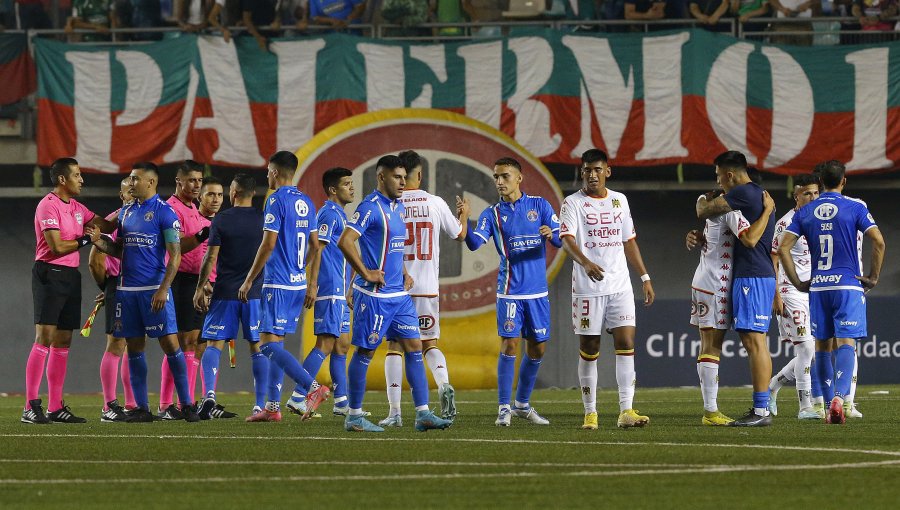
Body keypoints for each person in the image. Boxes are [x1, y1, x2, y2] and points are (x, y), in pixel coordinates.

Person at [337, 155, 452, 433]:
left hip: (399, 296)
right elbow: (346, 241)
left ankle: (423, 413)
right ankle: (353, 416)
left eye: (404, 176)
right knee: (365, 352)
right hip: (374, 297)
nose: (403, 182)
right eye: (396, 177)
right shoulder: (370, 207)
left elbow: (393, 246)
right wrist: (365, 273)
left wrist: (402, 271)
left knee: (414, 347)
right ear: (381, 177)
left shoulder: (398, 207)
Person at [90, 162, 199, 423]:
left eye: (134, 179)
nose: (129, 183)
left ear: (150, 182)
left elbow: (175, 256)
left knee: (171, 346)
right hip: (127, 291)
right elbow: (119, 250)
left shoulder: (165, 213)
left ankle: (187, 404)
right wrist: (98, 241)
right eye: (129, 179)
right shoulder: (126, 212)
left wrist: (163, 290)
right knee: (134, 349)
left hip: (153, 290)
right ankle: (141, 408)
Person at [778, 160, 885, 425]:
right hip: (848, 285)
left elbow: (782, 249)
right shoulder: (855, 207)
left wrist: (798, 282)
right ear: (844, 181)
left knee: (822, 347)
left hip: (819, 286)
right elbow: (879, 241)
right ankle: (841, 397)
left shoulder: (805, 212)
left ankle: (827, 406)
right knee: (846, 343)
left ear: (821, 183)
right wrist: (872, 277)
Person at [558, 149, 655, 430]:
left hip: (620, 286)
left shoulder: (619, 201)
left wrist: (645, 277)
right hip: (588, 288)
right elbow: (567, 240)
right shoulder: (572, 203)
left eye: (597, 170)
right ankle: (591, 412)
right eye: (587, 170)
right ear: (581, 172)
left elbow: (629, 241)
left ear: (607, 172)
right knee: (590, 348)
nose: (591, 175)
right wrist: (586, 262)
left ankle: (627, 411)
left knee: (626, 344)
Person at [463, 157, 562, 427]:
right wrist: (463, 222)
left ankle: (522, 405)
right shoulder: (492, 214)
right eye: (496, 177)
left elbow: (560, 238)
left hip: (537, 293)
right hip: (510, 291)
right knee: (510, 344)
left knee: (538, 348)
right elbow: (474, 244)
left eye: (505, 176)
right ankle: (504, 407)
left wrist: (549, 234)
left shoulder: (539, 205)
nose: (499, 182)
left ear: (519, 178)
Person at [378, 150, 470, 427]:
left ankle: (395, 412)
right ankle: (443, 384)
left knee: (395, 346)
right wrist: (463, 215)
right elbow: (460, 234)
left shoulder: (392, 204)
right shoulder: (435, 202)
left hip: (395, 286)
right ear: (420, 174)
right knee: (429, 343)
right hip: (427, 287)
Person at [238, 151, 329, 423]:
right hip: (297, 284)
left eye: (268, 170)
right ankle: (273, 407)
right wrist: (304, 271)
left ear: (275, 172)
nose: (267, 175)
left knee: (265, 345)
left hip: (277, 282)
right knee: (277, 343)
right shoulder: (307, 201)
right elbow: (315, 245)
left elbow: (268, 244)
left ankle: (313, 388)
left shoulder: (275, 200)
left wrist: (249, 279)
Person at [24, 157, 114, 424]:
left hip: (70, 276)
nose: (81, 179)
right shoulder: (47, 205)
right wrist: (87, 238)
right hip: (49, 273)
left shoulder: (76, 207)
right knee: (45, 337)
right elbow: (56, 247)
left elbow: (104, 226)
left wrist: (124, 210)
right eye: (77, 175)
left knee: (63, 341)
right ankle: (30, 406)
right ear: (62, 179)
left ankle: (54, 407)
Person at [686, 173, 774, 426]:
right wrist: (767, 211)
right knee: (713, 346)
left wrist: (697, 236)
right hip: (716, 283)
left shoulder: (712, 213)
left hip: (703, 280)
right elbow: (749, 239)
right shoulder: (731, 212)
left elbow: (711, 235)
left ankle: (711, 410)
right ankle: (711, 412)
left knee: (708, 344)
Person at [291, 167, 364, 418]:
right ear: (333, 190)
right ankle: (299, 396)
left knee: (342, 345)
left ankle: (342, 402)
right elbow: (317, 249)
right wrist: (311, 284)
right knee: (325, 343)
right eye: (346, 183)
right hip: (330, 287)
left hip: (339, 289)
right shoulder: (328, 215)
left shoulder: (340, 216)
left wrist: (349, 288)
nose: (352, 187)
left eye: (351, 183)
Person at [194, 174, 266, 419]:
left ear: (233, 193)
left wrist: (200, 287)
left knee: (214, 344)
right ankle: (259, 405)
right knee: (258, 347)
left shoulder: (222, 220)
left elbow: (210, 257)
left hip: (224, 292)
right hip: (255, 293)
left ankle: (210, 394)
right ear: (253, 194)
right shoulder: (263, 219)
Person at [157, 161, 209, 420]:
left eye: (199, 180)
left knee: (192, 341)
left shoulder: (196, 211)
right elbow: (175, 248)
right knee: (174, 342)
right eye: (191, 180)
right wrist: (201, 236)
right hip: (175, 280)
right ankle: (166, 403)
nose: (196, 185)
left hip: (194, 281)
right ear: (179, 182)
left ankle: (184, 401)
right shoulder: (171, 210)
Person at [768, 173, 821, 420]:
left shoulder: (821, 220)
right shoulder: (786, 223)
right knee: (806, 347)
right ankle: (805, 407)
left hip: (814, 292)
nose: (812, 197)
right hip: (790, 291)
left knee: (811, 351)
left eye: (815, 193)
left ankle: (774, 385)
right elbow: (774, 259)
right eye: (806, 193)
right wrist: (775, 294)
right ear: (796, 196)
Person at [88, 178, 137, 422]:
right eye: (130, 191)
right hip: (119, 285)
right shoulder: (114, 220)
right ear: (121, 194)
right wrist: (107, 288)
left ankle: (130, 403)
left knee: (133, 346)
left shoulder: (144, 217)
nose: (135, 195)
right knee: (116, 345)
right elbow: (93, 260)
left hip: (140, 286)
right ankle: (109, 405)